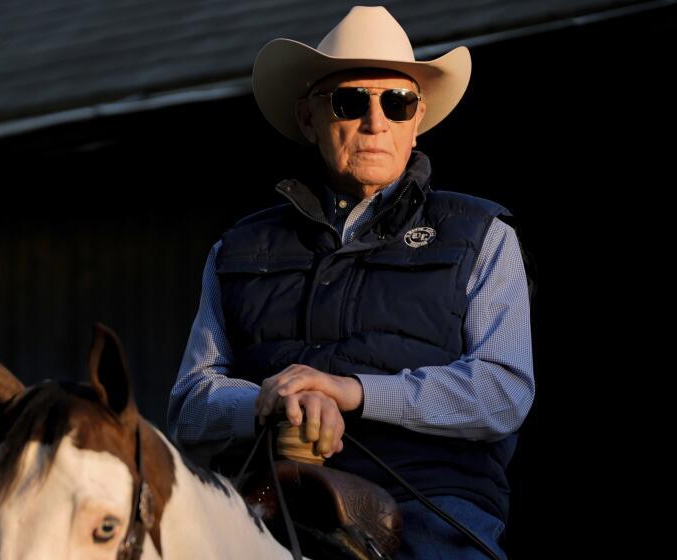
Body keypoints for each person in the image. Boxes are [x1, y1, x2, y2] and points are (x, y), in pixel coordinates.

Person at [167, 5, 535, 559]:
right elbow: (191, 403)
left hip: (430, 506)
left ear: (417, 119)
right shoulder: (235, 250)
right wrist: (270, 401)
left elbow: (502, 391)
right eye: (349, 100)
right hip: (267, 502)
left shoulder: (483, 235)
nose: (375, 119)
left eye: (396, 101)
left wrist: (355, 392)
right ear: (309, 118)